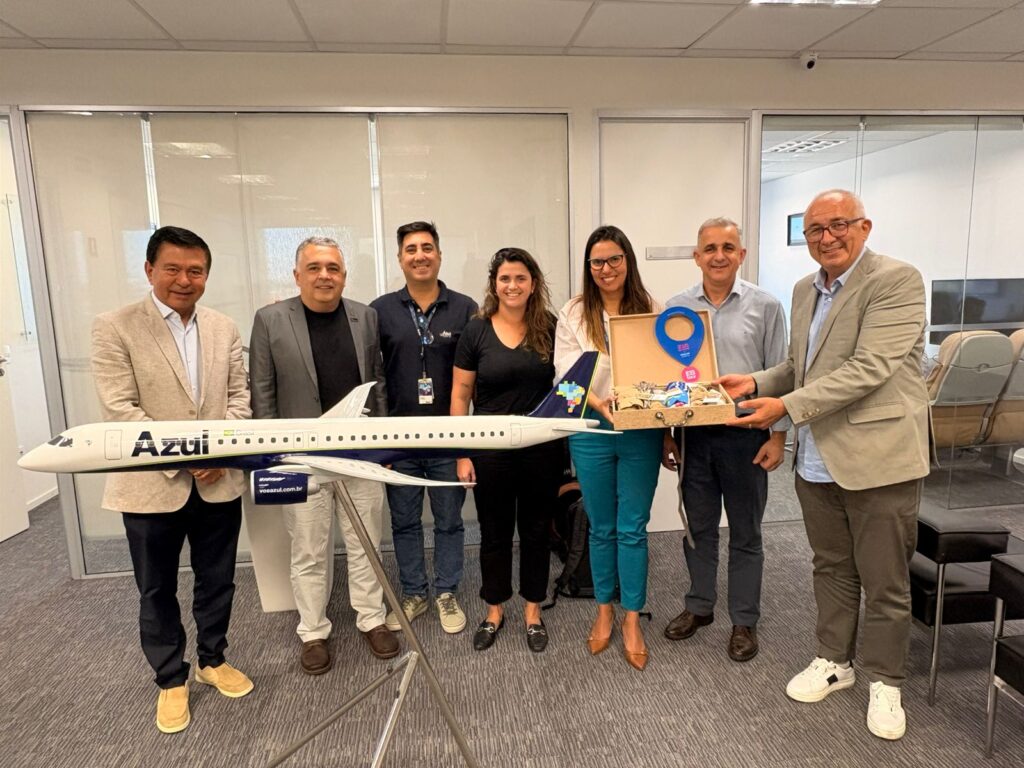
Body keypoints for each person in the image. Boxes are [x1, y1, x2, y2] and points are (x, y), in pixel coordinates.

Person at [717, 190, 929, 741]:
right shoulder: (804, 290)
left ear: (864, 226)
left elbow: (869, 368)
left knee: (884, 578)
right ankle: (835, 659)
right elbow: (800, 365)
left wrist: (784, 407)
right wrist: (755, 382)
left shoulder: (896, 281)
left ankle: (886, 679)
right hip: (817, 456)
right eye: (815, 230)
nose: (827, 237)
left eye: (838, 225)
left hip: (878, 458)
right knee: (831, 566)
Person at [91, 226, 253, 734]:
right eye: (173, 269)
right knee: (156, 587)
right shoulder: (114, 327)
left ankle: (212, 659)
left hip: (217, 479)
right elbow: (121, 409)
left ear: (206, 275)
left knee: (218, 578)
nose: (185, 280)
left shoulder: (223, 327)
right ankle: (170, 678)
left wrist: (217, 455)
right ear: (149, 270)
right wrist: (187, 458)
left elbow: (240, 400)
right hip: (149, 483)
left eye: (195, 271)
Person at [249, 237, 398, 671]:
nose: (324, 275)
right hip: (301, 459)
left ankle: (371, 619)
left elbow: (377, 383)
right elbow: (262, 391)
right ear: (297, 275)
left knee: (366, 542)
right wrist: (272, 455)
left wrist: (383, 444)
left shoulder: (365, 317)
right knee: (308, 550)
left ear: (344, 276)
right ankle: (313, 631)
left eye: (333, 268)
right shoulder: (270, 319)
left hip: (361, 455)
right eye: (314, 267)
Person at [662, 218, 789, 662]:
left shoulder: (766, 306)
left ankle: (744, 620)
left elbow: (782, 374)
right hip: (693, 437)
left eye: (728, 247)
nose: (719, 256)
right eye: (710, 248)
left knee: (746, 532)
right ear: (696, 256)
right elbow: (665, 379)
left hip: (746, 436)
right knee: (697, 530)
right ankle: (700, 607)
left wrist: (779, 436)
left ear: (741, 255)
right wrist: (666, 435)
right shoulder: (676, 308)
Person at [554, 224, 665, 671]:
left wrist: (662, 426)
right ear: (589, 266)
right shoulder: (574, 313)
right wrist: (600, 404)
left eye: (614, 259)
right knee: (601, 527)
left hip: (640, 427)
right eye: (597, 261)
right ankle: (603, 610)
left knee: (632, 527)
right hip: (590, 427)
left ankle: (632, 617)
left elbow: (663, 372)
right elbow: (565, 378)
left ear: (627, 261)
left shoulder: (650, 308)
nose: (606, 268)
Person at [451, 247, 561, 653]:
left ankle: (533, 611)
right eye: (505, 279)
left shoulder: (551, 327)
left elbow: (568, 388)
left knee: (536, 531)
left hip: (541, 448)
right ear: (494, 284)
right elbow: (460, 393)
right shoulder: (476, 331)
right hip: (489, 449)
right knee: (494, 532)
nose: (512, 286)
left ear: (533, 284)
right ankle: (494, 609)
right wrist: (462, 453)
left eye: (520, 278)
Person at [370, 222, 478, 635]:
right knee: (404, 521)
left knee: (450, 520)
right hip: (399, 441)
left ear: (439, 255)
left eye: (427, 247)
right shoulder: (379, 311)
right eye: (411, 249)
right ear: (400, 259)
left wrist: (470, 444)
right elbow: (374, 378)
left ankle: (447, 591)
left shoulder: (465, 308)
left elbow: (474, 378)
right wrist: (378, 442)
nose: (420, 255)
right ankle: (414, 592)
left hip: (449, 440)